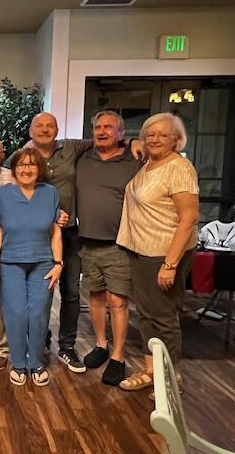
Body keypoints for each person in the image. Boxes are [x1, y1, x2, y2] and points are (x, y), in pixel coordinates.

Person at [116, 113, 199, 399]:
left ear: (177, 140)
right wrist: (134, 142)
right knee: (146, 314)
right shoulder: (149, 163)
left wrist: (170, 264)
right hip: (142, 249)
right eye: (150, 134)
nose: (155, 139)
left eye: (163, 135)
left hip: (165, 252)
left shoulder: (179, 168)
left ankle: (171, 380)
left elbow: (189, 219)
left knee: (164, 316)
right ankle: (151, 372)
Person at [4, 112, 91, 373]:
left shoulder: (72, 147)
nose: (44, 129)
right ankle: (39, 339)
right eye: (39, 126)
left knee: (71, 291)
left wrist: (132, 143)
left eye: (49, 125)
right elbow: (6, 186)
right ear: (30, 131)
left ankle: (67, 345)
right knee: (41, 294)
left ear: (57, 129)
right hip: (35, 236)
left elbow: (102, 141)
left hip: (68, 232)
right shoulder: (20, 156)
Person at [75, 111, 141, 386]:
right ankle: (101, 344)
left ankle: (117, 356)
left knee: (117, 301)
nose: (102, 132)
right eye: (98, 127)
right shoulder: (83, 157)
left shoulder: (134, 159)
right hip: (88, 242)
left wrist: (137, 142)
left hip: (119, 245)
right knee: (95, 297)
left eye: (109, 128)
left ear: (121, 134)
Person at [0, 147, 63, 387]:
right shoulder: (2, 194)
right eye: (21, 164)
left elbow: (55, 231)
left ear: (39, 168)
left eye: (32, 164)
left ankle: (36, 363)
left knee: (39, 314)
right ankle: (19, 363)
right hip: (10, 262)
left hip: (43, 262)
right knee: (16, 313)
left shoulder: (50, 193)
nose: (26, 169)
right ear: (14, 169)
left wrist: (59, 262)